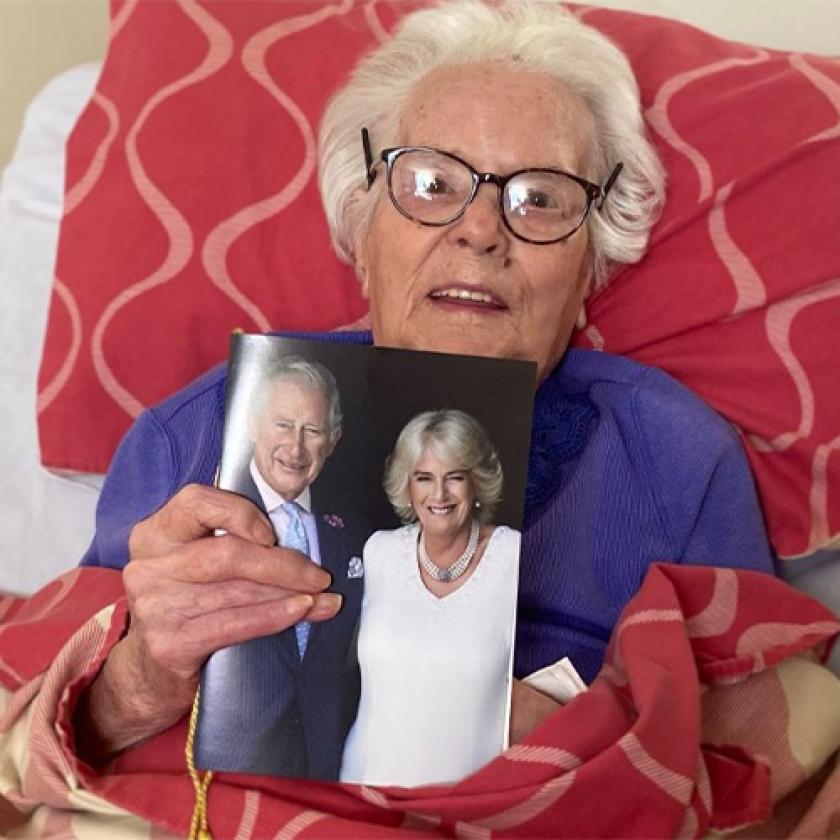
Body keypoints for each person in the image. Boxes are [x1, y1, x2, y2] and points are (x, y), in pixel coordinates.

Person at [73, 0, 774, 766]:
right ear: (363, 235)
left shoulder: (674, 457)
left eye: (539, 198)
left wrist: (582, 746)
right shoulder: (197, 433)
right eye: (433, 183)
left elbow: (758, 762)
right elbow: (47, 741)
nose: (480, 231)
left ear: (587, 273)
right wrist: (138, 683)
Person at [192, 356, 368, 780]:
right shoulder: (205, 511)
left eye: (312, 431)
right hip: (229, 769)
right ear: (251, 423)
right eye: (283, 425)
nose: (296, 447)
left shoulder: (355, 535)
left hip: (325, 765)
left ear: (334, 440)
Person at [340, 409, 520, 786]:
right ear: (408, 486)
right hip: (364, 786)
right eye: (424, 478)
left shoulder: (513, 555)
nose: (438, 494)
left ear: (476, 484)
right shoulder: (378, 552)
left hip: (468, 803)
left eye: (454, 477)